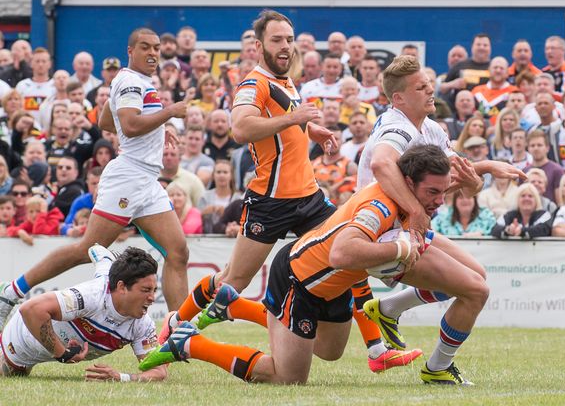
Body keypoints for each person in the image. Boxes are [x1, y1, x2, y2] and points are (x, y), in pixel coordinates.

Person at [164, 10, 417, 373]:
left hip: (308, 196)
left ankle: (377, 349)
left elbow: (281, 128)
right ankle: (174, 325)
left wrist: (309, 131)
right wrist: (295, 119)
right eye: (277, 40)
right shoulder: (254, 84)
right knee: (234, 279)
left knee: (352, 253)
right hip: (270, 201)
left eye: (289, 39)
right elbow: (240, 128)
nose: (286, 46)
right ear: (258, 46)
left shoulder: (285, 80)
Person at [141, 145, 483, 385]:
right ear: (408, 183)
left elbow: (432, 190)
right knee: (287, 377)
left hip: (333, 286)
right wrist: (400, 246)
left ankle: (236, 307)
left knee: (330, 352)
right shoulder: (379, 207)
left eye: (443, 193)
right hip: (298, 279)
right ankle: (189, 344)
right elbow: (341, 255)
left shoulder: (410, 191)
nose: (440, 201)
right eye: (434, 193)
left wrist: (475, 179)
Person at [0, 28, 191, 331]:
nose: (153, 53)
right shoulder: (129, 80)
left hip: (146, 180)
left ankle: (179, 333)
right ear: (131, 51)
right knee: (86, 249)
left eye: (156, 48)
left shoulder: (138, 81)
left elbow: (106, 120)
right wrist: (168, 114)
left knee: (178, 252)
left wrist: (156, 128)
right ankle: (11, 292)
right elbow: (128, 125)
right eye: (145, 47)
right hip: (129, 176)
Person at [354, 55, 523, 373]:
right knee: (476, 291)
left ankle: (388, 308)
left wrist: (482, 171)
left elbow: (456, 175)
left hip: (402, 226)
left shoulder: (429, 127)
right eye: (421, 87)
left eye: (430, 85)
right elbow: (380, 163)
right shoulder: (397, 127)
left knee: (477, 276)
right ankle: (438, 368)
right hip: (383, 234)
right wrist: (417, 211)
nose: (431, 91)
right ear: (399, 98)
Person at [0, 245, 167, 382]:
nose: (152, 298)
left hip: (40, 349)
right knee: (11, 374)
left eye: (154, 290)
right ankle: (7, 297)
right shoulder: (91, 296)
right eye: (146, 290)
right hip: (20, 341)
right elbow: (31, 309)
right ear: (122, 287)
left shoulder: (142, 324)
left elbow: (158, 371)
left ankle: (105, 258)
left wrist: (122, 377)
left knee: (104, 268)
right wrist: (62, 353)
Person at [197, 160, 242, 234]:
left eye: (225, 172)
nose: (222, 175)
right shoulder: (204, 196)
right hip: (207, 239)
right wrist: (203, 213)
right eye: (218, 172)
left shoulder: (238, 198)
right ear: (213, 176)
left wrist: (226, 213)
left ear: (231, 176)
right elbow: (195, 220)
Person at [431, 193, 496, 237]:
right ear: (455, 201)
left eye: (468, 197)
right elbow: (429, 230)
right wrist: (442, 238)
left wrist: (482, 235)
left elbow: (498, 231)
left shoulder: (486, 215)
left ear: (475, 200)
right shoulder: (444, 215)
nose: (465, 200)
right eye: (461, 197)